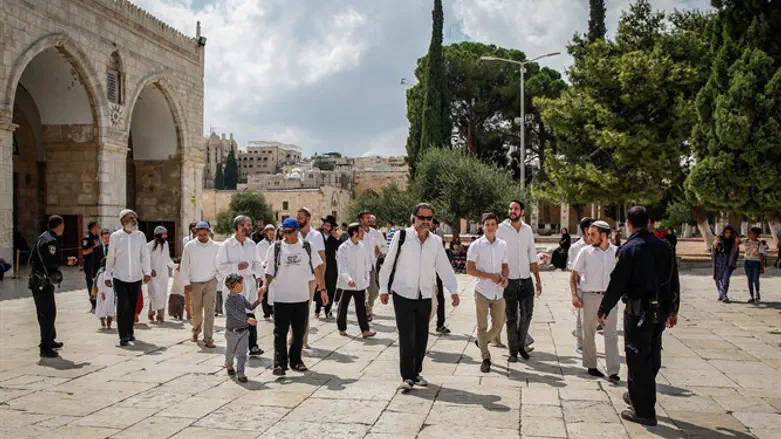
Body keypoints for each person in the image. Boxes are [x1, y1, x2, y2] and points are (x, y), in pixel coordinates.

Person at [598, 205, 680, 426]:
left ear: (629, 224)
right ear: (649, 223)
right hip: (660, 311)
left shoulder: (629, 249)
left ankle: (643, 411)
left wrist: (604, 308)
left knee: (637, 357)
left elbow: (617, 283)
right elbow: (674, 280)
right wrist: (674, 309)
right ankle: (638, 394)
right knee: (652, 354)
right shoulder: (664, 247)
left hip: (638, 311)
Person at [378, 203, 459, 391]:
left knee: (422, 336)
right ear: (414, 218)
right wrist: (383, 288)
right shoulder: (402, 236)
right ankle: (407, 376)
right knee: (407, 336)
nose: (425, 222)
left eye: (429, 218)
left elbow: (443, 267)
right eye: (422, 218)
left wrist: (453, 290)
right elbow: (388, 263)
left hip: (425, 294)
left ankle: (416, 372)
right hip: (403, 293)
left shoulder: (436, 242)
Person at [261, 218, 326, 376]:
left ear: (297, 231)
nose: (286, 235)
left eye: (290, 232)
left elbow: (317, 268)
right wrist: (264, 286)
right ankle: (279, 364)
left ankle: (296, 361)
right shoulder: (276, 248)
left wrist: (322, 289)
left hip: (301, 297)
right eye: (284, 232)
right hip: (281, 297)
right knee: (280, 332)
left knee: (299, 333)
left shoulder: (307, 247)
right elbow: (269, 271)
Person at [570, 220, 619, 381]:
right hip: (589, 296)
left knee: (611, 334)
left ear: (604, 236)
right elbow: (574, 274)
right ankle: (591, 365)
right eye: (589, 234)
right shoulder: (585, 252)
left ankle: (613, 370)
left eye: (593, 234)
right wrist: (575, 295)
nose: (589, 237)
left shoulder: (617, 252)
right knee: (588, 332)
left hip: (610, 298)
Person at [497, 200, 542, 362]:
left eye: (516, 208)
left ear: (522, 211)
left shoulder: (527, 230)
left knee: (527, 315)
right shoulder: (501, 229)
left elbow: (532, 255)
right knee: (511, 317)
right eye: (510, 208)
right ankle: (513, 351)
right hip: (509, 281)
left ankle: (521, 345)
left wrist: (537, 279)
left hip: (526, 279)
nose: (512, 211)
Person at [28, 215, 77, 357]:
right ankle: (45, 346)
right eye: (63, 225)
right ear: (59, 226)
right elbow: (52, 262)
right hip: (42, 283)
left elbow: (32, 259)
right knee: (47, 314)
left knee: (48, 312)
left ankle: (50, 339)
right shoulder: (51, 241)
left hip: (38, 281)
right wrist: (66, 261)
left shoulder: (43, 237)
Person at [466, 212, 508, 373]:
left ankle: (482, 341)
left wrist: (505, 277)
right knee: (482, 325)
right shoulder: (476, 245)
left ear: (496, 226)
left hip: (498, 291)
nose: (490, 227)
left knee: (498, 325)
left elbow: (505, 265)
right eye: (487, 224)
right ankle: (485, 357)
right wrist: (489, 276)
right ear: (482, 226)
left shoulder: (503, 245)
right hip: (482, 290)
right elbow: (470, 269)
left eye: (493, 224)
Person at [105, 210, 151, 347]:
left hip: (136, 277)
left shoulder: (140, 236)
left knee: (132, 306)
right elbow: (111, 257)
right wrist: (108, 274)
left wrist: (147, 271)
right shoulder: (115, 236)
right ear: (123, 220)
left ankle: (130, 332)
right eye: (131, 218)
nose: (134, 220)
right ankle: (123, 335)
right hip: (120, 276)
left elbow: (145, 255)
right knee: (122, 305)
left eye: (135, 218)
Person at [217, 215, 263, 355]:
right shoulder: (226, 245)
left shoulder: (251, 244)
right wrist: (236, 267)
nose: (250, 228)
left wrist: (260, 275)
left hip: (249, 282)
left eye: (250, 225)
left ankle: (253, 345)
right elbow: (220, 266)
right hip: (234, 284)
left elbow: (257, 262)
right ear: (239, 227)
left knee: (251, 312)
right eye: (247, 225)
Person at [180, 221, 220, 348]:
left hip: (210, 282)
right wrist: (186, 282)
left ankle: (208, 338)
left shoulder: (216, 246)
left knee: (210, 311)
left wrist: (217, 278)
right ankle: (196, 330)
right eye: (200, 234)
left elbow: (220, 264)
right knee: (196, 311)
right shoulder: (190, 246)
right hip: (195, 283)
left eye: (204, 234)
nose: (202, 237)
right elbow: (184, 265)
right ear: (196, 233)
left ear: (208, 232)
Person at [336, 223, 376, 338]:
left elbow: (365, 264)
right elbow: (342, 266)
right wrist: (348, 279)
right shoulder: (343, 248)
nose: (363, 233)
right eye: (361, 231)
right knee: (343, 307)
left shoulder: (362, 246)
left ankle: (365, 330)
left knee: (361, 308)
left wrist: (366, 279)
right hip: (347, 283)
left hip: (360, 283)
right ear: (354, 233)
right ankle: (342, 328)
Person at [223, 273, 262, 383]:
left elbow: (250, 307)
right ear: (234, 285)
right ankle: (229, 364)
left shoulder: (241, 297)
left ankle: (241, 372)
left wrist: (259, 299)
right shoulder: (228, 301)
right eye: (241, 284)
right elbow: (236, 314)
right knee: (230, 352)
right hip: (232, 332)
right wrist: (248, 320)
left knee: (242, 353)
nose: (243, 286)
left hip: (244, 331)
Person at [296, 207, 326, 348]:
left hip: (310, 278)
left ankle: (302, 339)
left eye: (300, 218)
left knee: (304, 309)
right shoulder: (294, 234)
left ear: (308, 218)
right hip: (293, 277)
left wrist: (321, 283)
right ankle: (295, 336)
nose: (298, 220)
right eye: (297, 218)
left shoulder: (316, 236)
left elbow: (322, 260)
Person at [568, 217, 594, 353]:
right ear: (586, 230)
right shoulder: (576, 248)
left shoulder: (597, 244)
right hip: (581, 287)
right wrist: (576, 292)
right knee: (581, 316)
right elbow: (573, 270)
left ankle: (582, 335)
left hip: (595, 286)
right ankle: (580, 344)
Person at [146, 226, 175, 323]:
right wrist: (150, 270)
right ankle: (151, 312)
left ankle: (160, 315)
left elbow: (167, 259)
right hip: (153, 275)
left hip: (163, 274)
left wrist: (175, 266)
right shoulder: (149, 246)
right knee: (154, 294)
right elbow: (145, 260)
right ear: (158, 235)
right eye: (163, 234)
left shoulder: (166, 244)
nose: (165, 237)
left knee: (162, 294)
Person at [314, 215, 340, 319]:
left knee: (331, 289)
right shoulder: (317, 236)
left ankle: (328, 311)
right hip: (319, 265)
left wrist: (336, 238)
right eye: (325, 224)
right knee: (319, 287)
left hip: (332, 267)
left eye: (328, 226)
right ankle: (317, 309)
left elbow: (340, 248)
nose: (326, 227)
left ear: (331, 228)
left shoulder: (333, 238)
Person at [358, 211, 380, 322]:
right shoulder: (357, 232)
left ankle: (369, 306)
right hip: (360, 267)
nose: (369, 220)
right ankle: (365, 313)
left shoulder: (374, 232)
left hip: (371, 266)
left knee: (374, 292)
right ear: (361, 220)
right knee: (360, 293)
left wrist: (378, 251)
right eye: (367, 218)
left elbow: (380, 246)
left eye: (369, 218)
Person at [712, 224, 739, 303]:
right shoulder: (719, 239)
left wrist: (736, 243)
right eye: (726, 232)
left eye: (729, 232)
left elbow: (735, 252)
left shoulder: (733, 241)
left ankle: (724, 295)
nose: (728, 234)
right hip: (719, 261)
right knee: (718, 278)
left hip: (729, 261)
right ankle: (722, 294)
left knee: (725, 279)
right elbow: (713, 249)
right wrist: (715, 244)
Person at [255, 224, 276, 319]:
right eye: (270, 234)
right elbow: (257, 258)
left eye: (273, 234)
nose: (271, 236)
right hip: (263, 272)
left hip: (274, 273)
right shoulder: (260, 245)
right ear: (265, 233)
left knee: (273, 292)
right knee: (264, 291)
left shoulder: (276, 244)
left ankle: (273, 310)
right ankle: (266, 312)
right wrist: (263, 264)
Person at [82, 220, 101, 313]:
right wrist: (94, 247)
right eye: (97, 226)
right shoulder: (87, 238)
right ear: (93, 227)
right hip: (89, 264)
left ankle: (99, 302)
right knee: (91, 284)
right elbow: (84, 252)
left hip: (97, 263)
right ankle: (93, 303)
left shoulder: (96, 237)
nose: (99, 228)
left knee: (98, 282)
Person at [743, 227, 764, 304]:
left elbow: (761, 255)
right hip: (747, 262)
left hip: (756, 263)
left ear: (756, 235)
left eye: (752, 233)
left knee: (755, 279)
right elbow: (736, 240)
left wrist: (762, 266)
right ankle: (751, 296)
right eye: (750, 233)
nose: (750, 234)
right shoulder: (745, 241)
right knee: (749, 279)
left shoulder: (759, 243)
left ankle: (757, 293)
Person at [94, 258, 115, 330]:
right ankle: (102, 320)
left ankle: (109, 325)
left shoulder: (113, 272)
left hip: (111, 293)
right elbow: (99, 284)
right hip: (103, 293)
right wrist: (102, 293)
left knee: (111, 309)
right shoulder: (101, 273)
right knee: (102, 308)